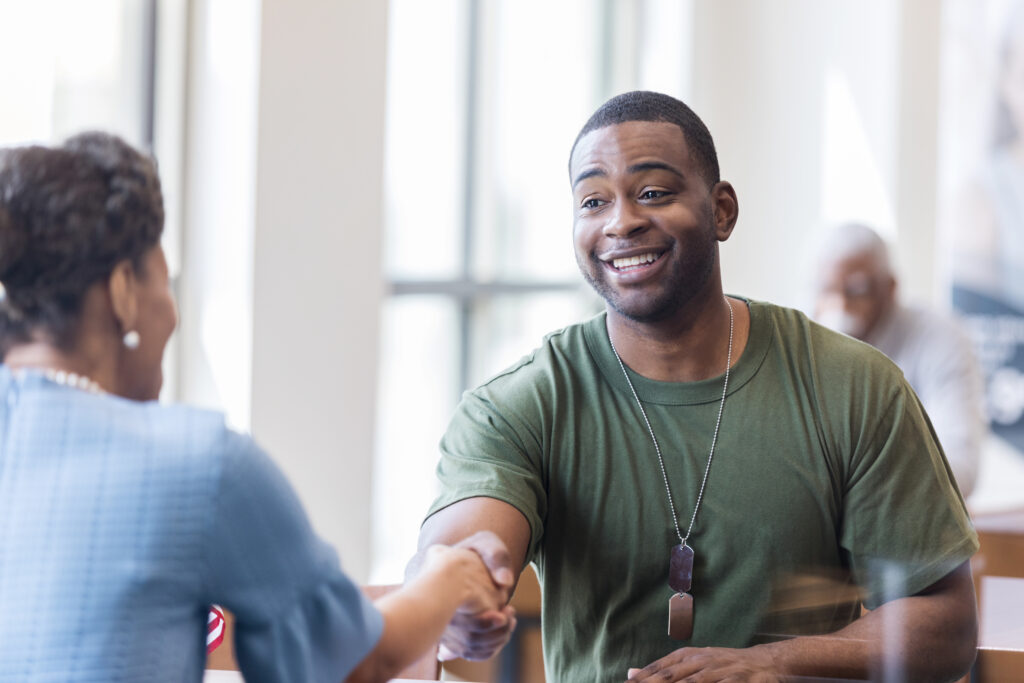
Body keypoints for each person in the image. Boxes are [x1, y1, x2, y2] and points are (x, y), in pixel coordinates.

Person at [408, 91, 979, 682]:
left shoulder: (854, 386)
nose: (621, 221)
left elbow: (948, 624)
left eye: (652, 192)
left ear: (722, 210)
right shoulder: (522, 403)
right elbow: (456, 548)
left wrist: (771, 664)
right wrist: (460, 586)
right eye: (593, 200)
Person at [0, 133, 510, 683]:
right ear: (123, 290)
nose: (169, 312)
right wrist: (451, 571)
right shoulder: (198, 462)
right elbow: (356, 661)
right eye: (161, 277)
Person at [812, 222, 986, 498]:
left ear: (890, 288)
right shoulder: (808, 338)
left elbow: (959, 467)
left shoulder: (940, 338)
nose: (841, 305)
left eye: (856, 290)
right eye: (828, 290)